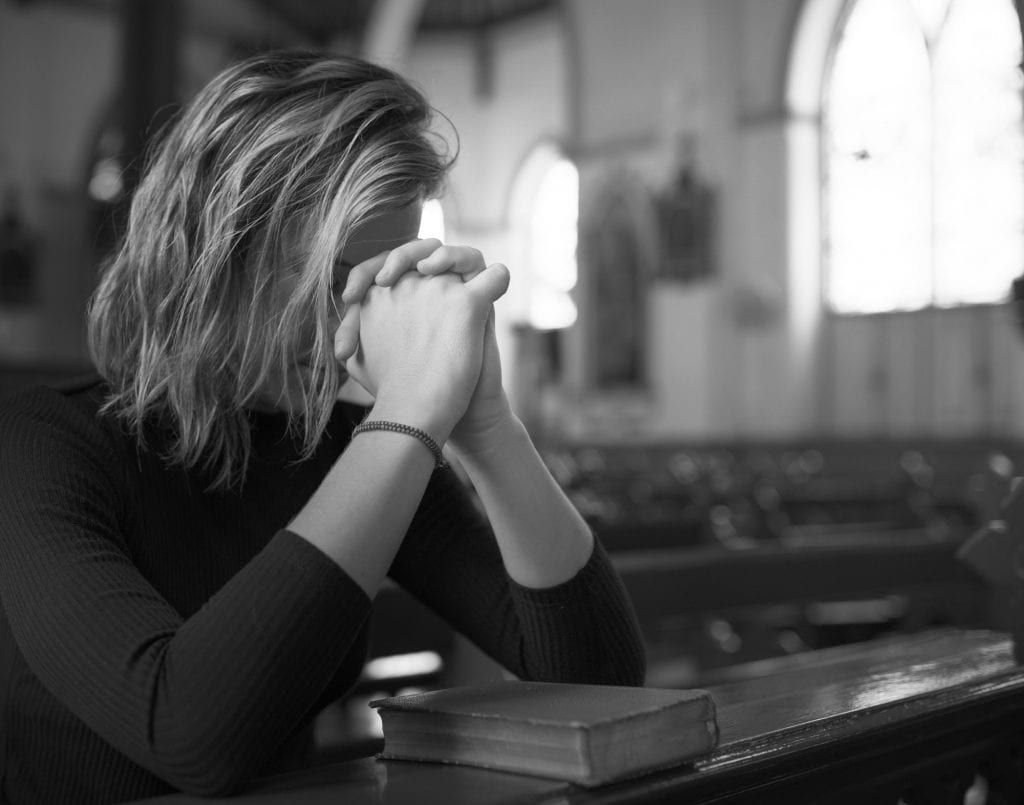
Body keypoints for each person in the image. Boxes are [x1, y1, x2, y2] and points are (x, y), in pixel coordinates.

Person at [0, 50, 645, 804]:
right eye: (339, 277)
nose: (364, 318)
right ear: (221, 255)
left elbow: (598, 681)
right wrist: (407, 411)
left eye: (389, 278)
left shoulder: (349, 446)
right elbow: (191, 734)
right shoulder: (41, 445)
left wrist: (486, 422)